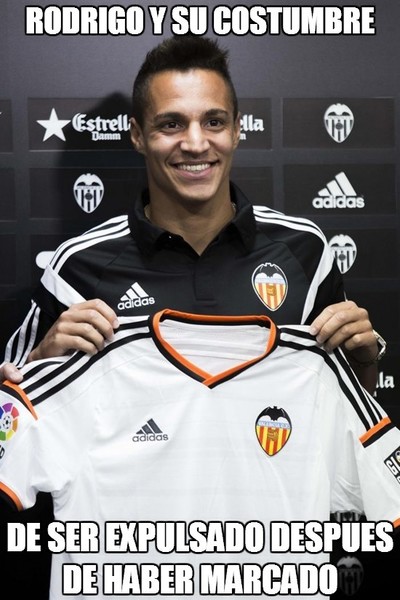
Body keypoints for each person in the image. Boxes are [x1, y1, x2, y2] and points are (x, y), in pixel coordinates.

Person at [0, 35, 385, 395]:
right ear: (137, 135)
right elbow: (12, 414)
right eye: (172, 124)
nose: (196, 143)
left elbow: (348, 407)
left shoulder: (305, 250)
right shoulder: (78, 267)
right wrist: (40, 360)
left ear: (237, 130)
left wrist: (364, 359)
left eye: (214, 122)